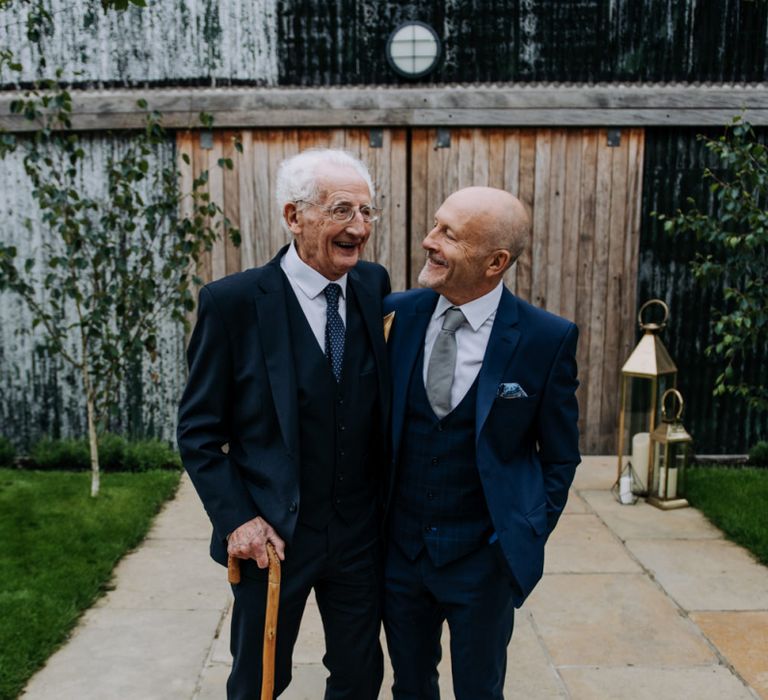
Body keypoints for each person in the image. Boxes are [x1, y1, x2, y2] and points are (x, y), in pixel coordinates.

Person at [177, 148, 390, 700]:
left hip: (359, 535)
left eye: (367, 213)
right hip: (272, 536)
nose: (359, 228)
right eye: (342, 210)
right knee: (261, 680)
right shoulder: (233, 303)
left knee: (361, 676)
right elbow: (198, 432)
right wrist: (238, 520)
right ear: (294, 217)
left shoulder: (372, 287)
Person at [382, 186, 580, 700]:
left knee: (480, 689)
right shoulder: (395, 316)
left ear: (495, 261)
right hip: (400, 553)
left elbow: (560, 456)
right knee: (409, 684)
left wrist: (526, 531)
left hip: (482, 563)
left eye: (449, 234)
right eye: (435, 225)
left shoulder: (545, 338)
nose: (429, 241)